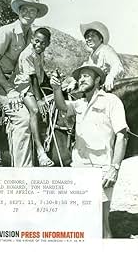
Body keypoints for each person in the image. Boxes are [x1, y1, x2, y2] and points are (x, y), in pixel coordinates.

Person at [50, 62, 128, 238]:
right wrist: (56, 89)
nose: (81, 79)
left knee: (102, 224)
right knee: (83, 221)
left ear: (98, 79)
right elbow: (62, 107)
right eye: (80, 77)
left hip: (101, 170)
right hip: (79, 167)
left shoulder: (111, 101)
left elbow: (122, 136)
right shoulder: (80, 104)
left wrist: (114, 168)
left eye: (86, 75)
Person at [0, 0, 48, 167]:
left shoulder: (33, 37)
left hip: (20, 84)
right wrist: (9, 90)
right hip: (0, 83)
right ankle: (22, 173)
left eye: (33, 10)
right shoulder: (5, 32)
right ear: (19, 11)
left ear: (36, 14)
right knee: (22, 119)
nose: (28, 13)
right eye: (25, 9)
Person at [14, 27, 54, 166]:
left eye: (43, 43)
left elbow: (40, 73)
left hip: (36, 85)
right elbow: (32, 79)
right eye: (36, 41)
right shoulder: (27, 54)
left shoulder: (40, 53)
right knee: (35, 110)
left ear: (47, 44)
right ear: (32, 40)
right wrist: (39, 99)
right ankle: (40, 150)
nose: (39, 45)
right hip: (24, 87)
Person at [80, 21, 124, 91]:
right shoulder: (91, 56)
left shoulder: (106, 49)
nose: (89, 39)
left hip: (111, 87)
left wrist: (110, 77)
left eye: (93, 36)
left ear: (100, 39)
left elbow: (117, 65)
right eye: (87, 36)